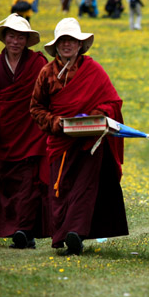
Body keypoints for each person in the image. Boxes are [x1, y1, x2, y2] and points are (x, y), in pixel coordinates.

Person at [30, 18, 129, 255]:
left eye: (72, 40)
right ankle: (62, 234)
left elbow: (113, 102)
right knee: (60, 189)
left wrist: (92, 118)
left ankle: (76, 234)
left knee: (84, 189)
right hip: (59, 141)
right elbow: (36, 108)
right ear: (56, 46)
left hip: (88, 142)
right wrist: (56, 123)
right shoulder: (46, 73)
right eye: (63, 40)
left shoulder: (93, 70)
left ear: (79, 44)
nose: (67, 44)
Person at [0, 14, 50, 250]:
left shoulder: (38, 63)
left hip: (33, 133)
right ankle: (19, 232)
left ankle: (24, 230)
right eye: (11, 36)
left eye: (20, 37)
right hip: (7, 135)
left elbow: (48, 97)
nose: (15, 41)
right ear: (4, 38)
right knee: (8, 186)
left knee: (30, 185)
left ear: (27, 40)